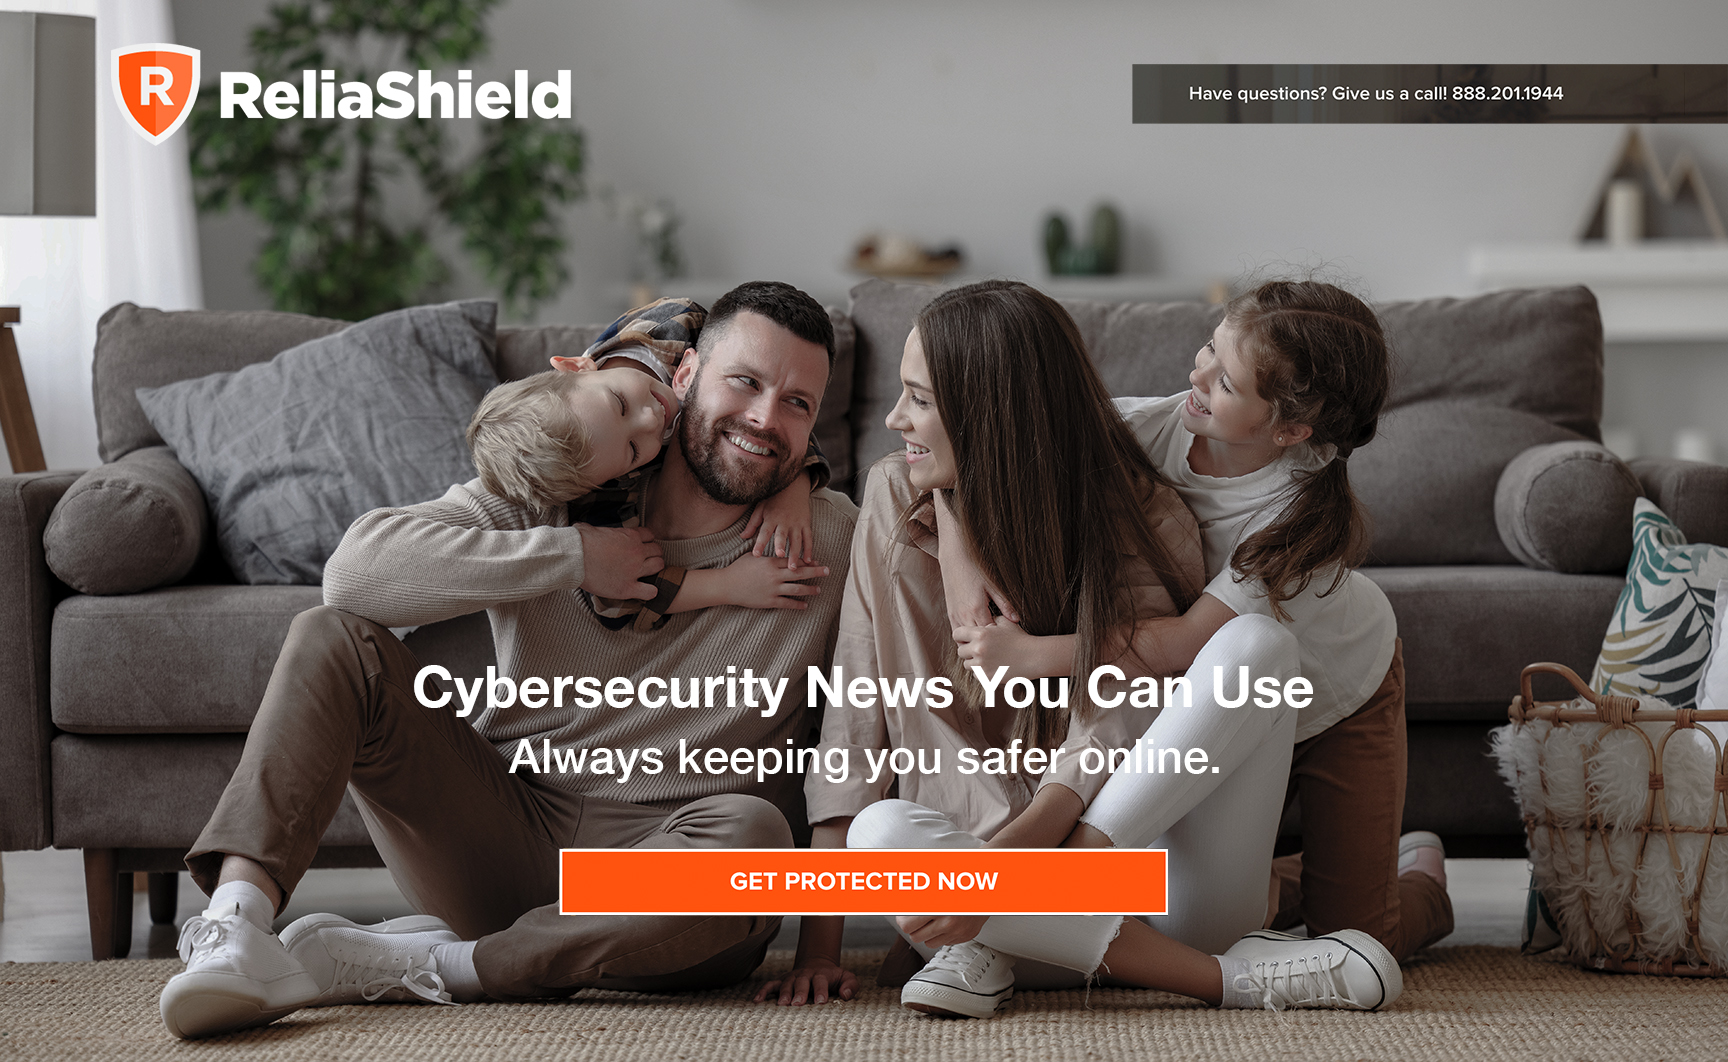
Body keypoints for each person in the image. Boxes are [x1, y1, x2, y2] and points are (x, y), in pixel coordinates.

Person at [158, 281, 858, 1039]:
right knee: (331, 638)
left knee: (756, 835)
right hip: (510, 831)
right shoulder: (566, 478)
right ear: (683, 379)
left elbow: (866, 718)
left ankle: (441, 968)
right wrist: (570, 557)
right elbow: (355, 577)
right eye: (746, 383)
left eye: (798, 404)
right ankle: (234, 928)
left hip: (675, 872)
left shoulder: (830, 536)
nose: (764, 419)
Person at [764, 280, 1401, 1018]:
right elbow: (856, 709)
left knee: (1256, 648)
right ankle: (1204, 968)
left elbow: (1145, 682)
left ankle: (1386, 896)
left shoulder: (1172, 513)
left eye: (921, 399)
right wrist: (820, 948)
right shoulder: (914, 488)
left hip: (1256, 739)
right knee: (881, 832)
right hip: (990, 890)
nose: (892, 417)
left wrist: (1022, 863)